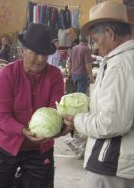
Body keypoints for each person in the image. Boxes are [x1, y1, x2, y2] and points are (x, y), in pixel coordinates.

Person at [0, 23, 72, 188]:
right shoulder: (7, 74)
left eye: (44, 54)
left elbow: (55, 111)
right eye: (35, 53)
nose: (40, 59)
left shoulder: (54, 75)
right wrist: (23, 131)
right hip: (6, 146)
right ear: (22, 51)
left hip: (40, 150)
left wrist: (63, 127)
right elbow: (2, 117)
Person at [63, 1, 134, 188]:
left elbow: (113, 122)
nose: (94, 47)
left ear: (110, 33)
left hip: (113, 162)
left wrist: (77, 120)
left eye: (95, 40)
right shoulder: (125, 59)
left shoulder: (120, 65)